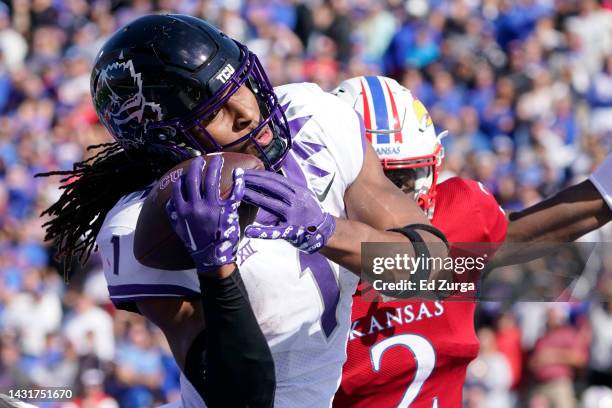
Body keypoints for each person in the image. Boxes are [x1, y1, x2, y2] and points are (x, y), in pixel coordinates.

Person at [38, 15, 447, 408]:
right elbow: (244, 400)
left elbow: (433, 269)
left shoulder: (313, 115)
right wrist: (216, 268)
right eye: (215, 111)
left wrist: (324, 230)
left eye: (241, 85)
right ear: (164, 140)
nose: (248, 112)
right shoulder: (139, 226)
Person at [331, 75, 612, 407]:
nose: (391, 198)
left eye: (403, 179)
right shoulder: (304, 252)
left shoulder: (460, 215)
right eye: (376, 180)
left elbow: (532, 232)